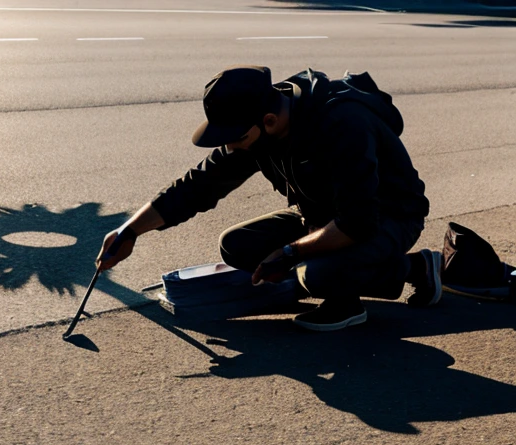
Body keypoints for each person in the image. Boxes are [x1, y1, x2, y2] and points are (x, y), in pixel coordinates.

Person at [97, 65, 442, 332]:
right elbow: (197, 186)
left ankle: (411, 270)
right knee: (236, 245)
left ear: (270, 121)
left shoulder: (343, 123)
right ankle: (339, 277)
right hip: (321, 216)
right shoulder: (258, 128)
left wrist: (292, 253)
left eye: (235, 138)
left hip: (387, 216)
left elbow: (357, 222)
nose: (229, 146)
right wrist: (129, 231)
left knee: (317, 274)